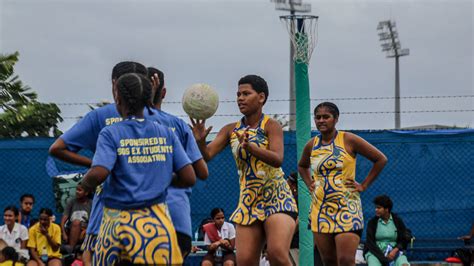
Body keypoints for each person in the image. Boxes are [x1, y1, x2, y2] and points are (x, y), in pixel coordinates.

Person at [81, 73, 196, 265]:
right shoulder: (166, 132)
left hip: (118, 226)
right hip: (157, 227)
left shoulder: (111, 132)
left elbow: (99, 172)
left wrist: (85, 182)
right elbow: (189, 177)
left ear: (118, 98)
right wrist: (163, 178)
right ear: (148, 99)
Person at [48, 61, 149, 266]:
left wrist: (96, 166)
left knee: (93, 255)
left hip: (109, 211)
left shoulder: (101, 117)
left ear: (115, 86)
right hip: (149, 213)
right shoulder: (160, 120)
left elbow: (57, 148)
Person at [191, 74, 297, 265]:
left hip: (277, 198)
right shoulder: (230, 130)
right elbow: (207, 155)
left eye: (246, 93)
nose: (240, 98)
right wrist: (199, 142)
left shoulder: (271, 126)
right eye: (238, 94)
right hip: (249, 201)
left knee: (276, 254)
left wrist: (251, 148)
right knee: (245, 261)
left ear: (261, 97)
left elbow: (277, 159)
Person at [298, 102, 388, 266]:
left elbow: (380, 159)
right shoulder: (312, 144)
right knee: (329, 261)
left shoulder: (348, 139)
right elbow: (302, 166)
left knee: (346, 260)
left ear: (336, 119)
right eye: (318, 117)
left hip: (347, 208)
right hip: (320, 209)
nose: (321, 121)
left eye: (326, 117)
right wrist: (309, 182)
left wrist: (364, 185)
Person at [146, 67, 209, 258]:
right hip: (177, 215)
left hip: (141, 218)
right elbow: (202, 172)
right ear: (163, 92)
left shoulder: (126, 125)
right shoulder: (178, 126)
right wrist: (198, 144)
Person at [364, 195, 410, 266]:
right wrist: (384, 258)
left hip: (394, 252)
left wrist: (395, 250)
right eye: (376, 207)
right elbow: (370, 243)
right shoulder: (372, 222)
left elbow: (404, 239)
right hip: (375, 253)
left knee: (404, 264)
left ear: (386, 209)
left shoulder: (397, 221)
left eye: (379, 208)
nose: (376, 210)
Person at [60, 183, 91, 248]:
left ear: (86, 193)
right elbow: (63, 220)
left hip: (86, 230)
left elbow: (94, 221)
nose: (77, 192)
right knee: (76, 222)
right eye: (76, 189)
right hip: (72, 228)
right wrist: (64, 233)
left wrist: (85, 231)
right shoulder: (71, 202)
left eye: (79, 190)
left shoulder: (91, 204)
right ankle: (71, 250)